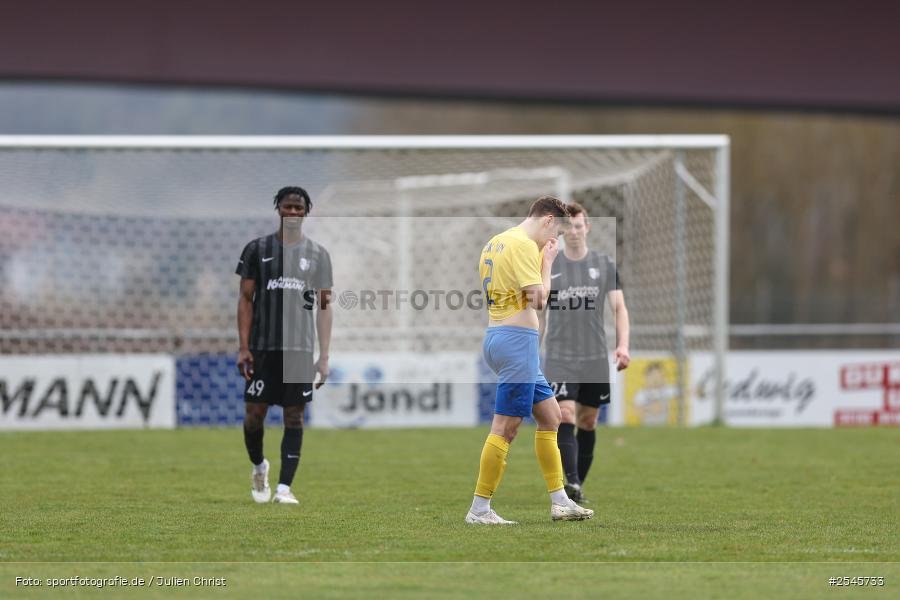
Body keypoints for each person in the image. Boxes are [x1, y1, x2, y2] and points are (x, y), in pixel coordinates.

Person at [466, 196, 594, 525]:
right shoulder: (523, 245)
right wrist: (548, 262)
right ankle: (479, 508)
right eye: (555, 236)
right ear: (548, 220)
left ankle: (560, 501)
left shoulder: (496, 242)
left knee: (551, 417)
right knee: (506, 428)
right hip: (517, 342)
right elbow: (538, 299)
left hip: (498, 336)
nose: (552, 244)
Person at [235, 186, 333, 505]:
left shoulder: (318, 255)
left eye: (298, 208)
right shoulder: (256, 249)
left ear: (307, 212)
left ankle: (284, 489)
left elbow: (324, 306)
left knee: (294, 417)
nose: (293, 212)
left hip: (300, 351)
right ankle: (258, 466)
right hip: (262, 348)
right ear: (278, 209)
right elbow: (245, 300)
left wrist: (324, 356)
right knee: (253, 416)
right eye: (287, 206)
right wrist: (243, 346)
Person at [539, 202, 630, 502]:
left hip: (593, 357)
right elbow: (537, 308)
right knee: (564, 415)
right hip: (559, 355)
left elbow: (619, 308)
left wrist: (623, 345)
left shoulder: (604, 264)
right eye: (570, 227)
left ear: (587, 228)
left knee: (588, 421)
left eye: (580, 226)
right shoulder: (550, 263)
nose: (575, 232)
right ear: (563, 231)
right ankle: (572, 483)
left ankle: (577, 486)